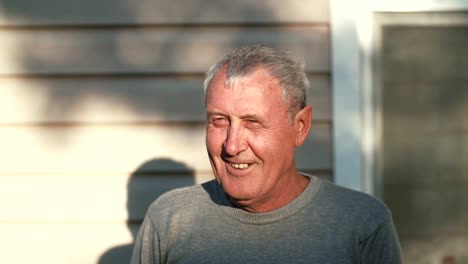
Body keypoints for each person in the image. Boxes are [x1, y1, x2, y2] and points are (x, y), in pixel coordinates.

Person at [131, 45, 402, 263]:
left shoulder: (363, 225)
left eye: (252, 122)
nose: (232, 146)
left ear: (300, 127)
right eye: (219, 121)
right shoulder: (169, 221)